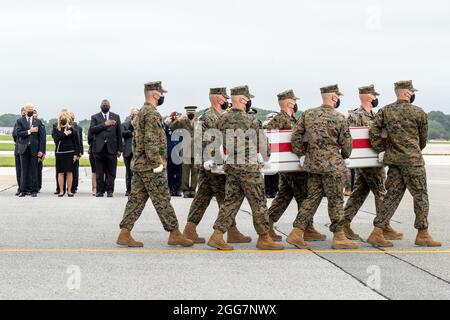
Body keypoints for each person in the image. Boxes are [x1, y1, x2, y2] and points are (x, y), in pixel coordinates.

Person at [117, 81, 193, 248]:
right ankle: (175, 233)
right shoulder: (151, 114)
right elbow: (149, 140)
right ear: (155, 95)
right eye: (161, 93)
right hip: (151, 167)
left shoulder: (142, 112)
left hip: (140, 165)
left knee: (136, 200)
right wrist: (156, 162)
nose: (162, 96)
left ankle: (124, 233)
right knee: (163, 200)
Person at [207, 85, 284, 251]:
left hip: (232, 166)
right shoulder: (250, 120)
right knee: (258, 202)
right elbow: (263, 144)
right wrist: (266, 159)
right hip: (249, 167)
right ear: (243, 100)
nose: (249, 102)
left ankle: (217, 235)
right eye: (248, 99)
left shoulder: (221, 119)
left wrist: (216, 160)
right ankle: (264, 237)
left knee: (231, 202)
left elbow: (214, 143)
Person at [368, 80, 441, 247]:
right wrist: (414, 149)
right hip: (413, 161)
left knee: (391, 196)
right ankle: (422, 233)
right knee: (420, 196)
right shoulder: (418, 112)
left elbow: (374, 131)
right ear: (408, 93)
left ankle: (377, 231)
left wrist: (381, 149)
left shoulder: (385, 111)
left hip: (394, 161)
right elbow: (423, 139)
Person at [288, 84, 358, 250]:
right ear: (334, 97)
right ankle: (339, 236)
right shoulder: (339, 117)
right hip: (333, 166)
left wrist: (302, 155)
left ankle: (297, 233)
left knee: (311, 199)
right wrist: (344, 156)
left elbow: (295, 136)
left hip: (313, 165)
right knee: (336, 201)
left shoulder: (308, 114)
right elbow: (347, 145)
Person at [183, 87, 250, 244]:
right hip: (211, 165)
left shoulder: (220, 115)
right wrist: (204, 161)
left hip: (217, 164)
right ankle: (230, 231)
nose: (226, 100)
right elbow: (199, 140)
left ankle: (189, 229)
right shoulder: (208, 116)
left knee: (203, 197)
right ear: (219, 98)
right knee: (225, 197)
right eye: (224, 97)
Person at [343, 85, 402, 245]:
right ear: (369, 97)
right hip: (366, 162)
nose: (376, 98)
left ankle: (344, 223)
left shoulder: (375, 115)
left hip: (375, 160)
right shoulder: (355, 116)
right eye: (374, 95)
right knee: (382, 192)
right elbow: (352, 138)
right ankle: (383, 226)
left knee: (359, 192)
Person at [266, 90, 326, 242]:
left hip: (294, 166)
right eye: (293, 101)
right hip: (291, 168)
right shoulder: (279, 119)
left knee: (283, 197)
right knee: (304, 196)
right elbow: (269, 138)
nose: (295, 104)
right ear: (289, 103)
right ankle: (307, 228)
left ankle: (267, 224)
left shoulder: (293, 119)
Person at [89, 99, 123, 197]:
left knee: (111, 171)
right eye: (103, 105)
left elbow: (119, 134)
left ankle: (110, 191)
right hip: (98, 149)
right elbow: (92, 130)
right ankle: (100, 191)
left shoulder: (116, 117)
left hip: (112, 148)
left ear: (109, 106)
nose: (105, 106)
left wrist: (120, 149)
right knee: (99, 171)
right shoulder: (95, 117)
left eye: (106, 104)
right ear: (100, 106)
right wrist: (105, 124)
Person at [15, 103, 46, 197]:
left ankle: (34, 191)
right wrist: (29, 131)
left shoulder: (38, 121)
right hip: (23, 149)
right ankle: (23, 190)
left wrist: (41, 150)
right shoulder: (20, 121)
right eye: (29, 109)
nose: (31, 111)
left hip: (34, 149)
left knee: (34, 170)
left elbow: (42, 138)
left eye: (32, 109)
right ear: (25, 110)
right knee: (24, 170)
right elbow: (18, 133)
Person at [170, 106, 199, 198]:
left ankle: (193, 190)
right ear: (186, 113)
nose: (190, 114)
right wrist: (178, 120)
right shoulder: (182, 122)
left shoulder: (198, 122)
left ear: (194, 113)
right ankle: (186, 191)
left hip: (196, 149)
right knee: (185, 173)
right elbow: (172, 128)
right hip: (185, 150)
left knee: (195, 172)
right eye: (189, 113)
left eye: (192, 113)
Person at [53, 111, 81, 197]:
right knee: (60, 172)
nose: (63, 120)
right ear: (59, 119)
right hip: (60, 152)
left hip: (70, 153)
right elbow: (56, 140)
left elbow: (76, 142)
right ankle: (61, 191)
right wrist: (64, 134)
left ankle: (69, 191)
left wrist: (76, 154)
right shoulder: (56, 129)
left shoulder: (72, 129)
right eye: (62, 119)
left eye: (65, 118)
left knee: (69, 172)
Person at [164, 112, 183, 196]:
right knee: (170, 172)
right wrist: (166, 122)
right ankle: (171, 188)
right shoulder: (167, 127)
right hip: (169, 152)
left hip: (178, 152)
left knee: (179, 172)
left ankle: (178, 188)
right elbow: (161, 129)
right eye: (173, 118)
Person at [122, 108, 139, 196]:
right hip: (128, 151)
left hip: (138, 152)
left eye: (136, 114)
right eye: (133, 114)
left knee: (137, 173)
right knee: (128, 172)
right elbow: (122, 133)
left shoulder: (141, 125)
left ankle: (136, 190)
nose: (134, 116)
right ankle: (128, 190)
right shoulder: (125, 124)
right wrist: (131, 130)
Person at [12, 107, 26, 196]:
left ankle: (25, 188)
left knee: (25, 171)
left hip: (26, 149)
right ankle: (20, 187)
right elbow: (14, 134)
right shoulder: (18, 122)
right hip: (19, 148)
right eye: (23, 113)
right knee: (19, 171)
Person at [32, 109, 46, 192]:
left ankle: (38, 186)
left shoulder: (40, 124)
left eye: (35, 115)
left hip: (38, 150)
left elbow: (43, 139)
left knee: (38, 170)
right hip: (31, 150)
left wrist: (43, 152)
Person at [70, 112, 83, 194]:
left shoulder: (78, 128)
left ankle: (74, 187)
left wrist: (80, 152)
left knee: (75, 170)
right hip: (68, 150)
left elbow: (80, 141)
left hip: (76, 150)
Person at [87, 126, 97, 196]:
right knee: (94, 170)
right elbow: (89, 140)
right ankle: (94, 188)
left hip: (104, 151)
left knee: (103, 170)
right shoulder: (92, 128)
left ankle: (101, 187)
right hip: (93, 150)